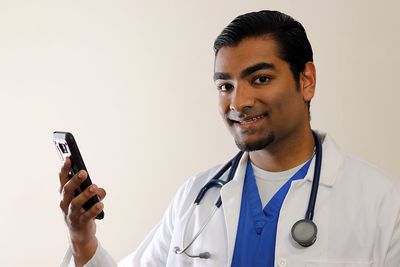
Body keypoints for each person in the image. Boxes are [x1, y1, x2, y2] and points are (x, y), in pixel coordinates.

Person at [59, 10, 400, 267]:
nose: (239, 102)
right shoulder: (195, 198)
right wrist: (82, 239)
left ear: (306, 80)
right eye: (225, 86)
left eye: (261, 79)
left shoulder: (381, 203)